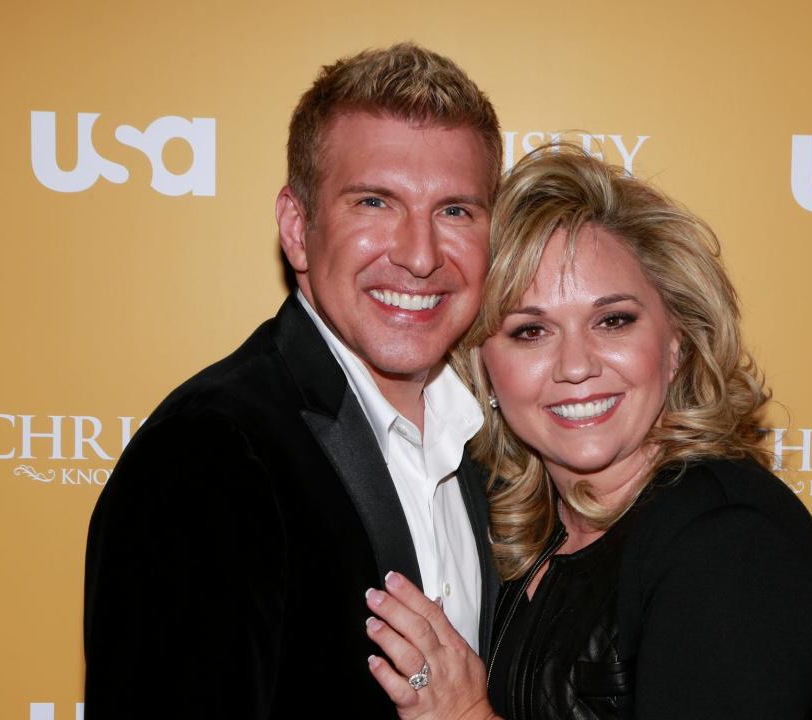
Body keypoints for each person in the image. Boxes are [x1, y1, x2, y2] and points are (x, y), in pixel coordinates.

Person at [83, 44, 504, 719]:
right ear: (297, 228)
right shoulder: (211, 453)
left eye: (455, 211)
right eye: (374, 201)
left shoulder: (497, 444)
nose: (420, 255)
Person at [363, 146, 812, 720]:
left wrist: (467, 714)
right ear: (483, 369)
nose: (576, 365)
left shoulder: (729, 541)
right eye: (530, 331)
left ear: (675, 344)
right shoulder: (518, 540)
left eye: (613, 320)